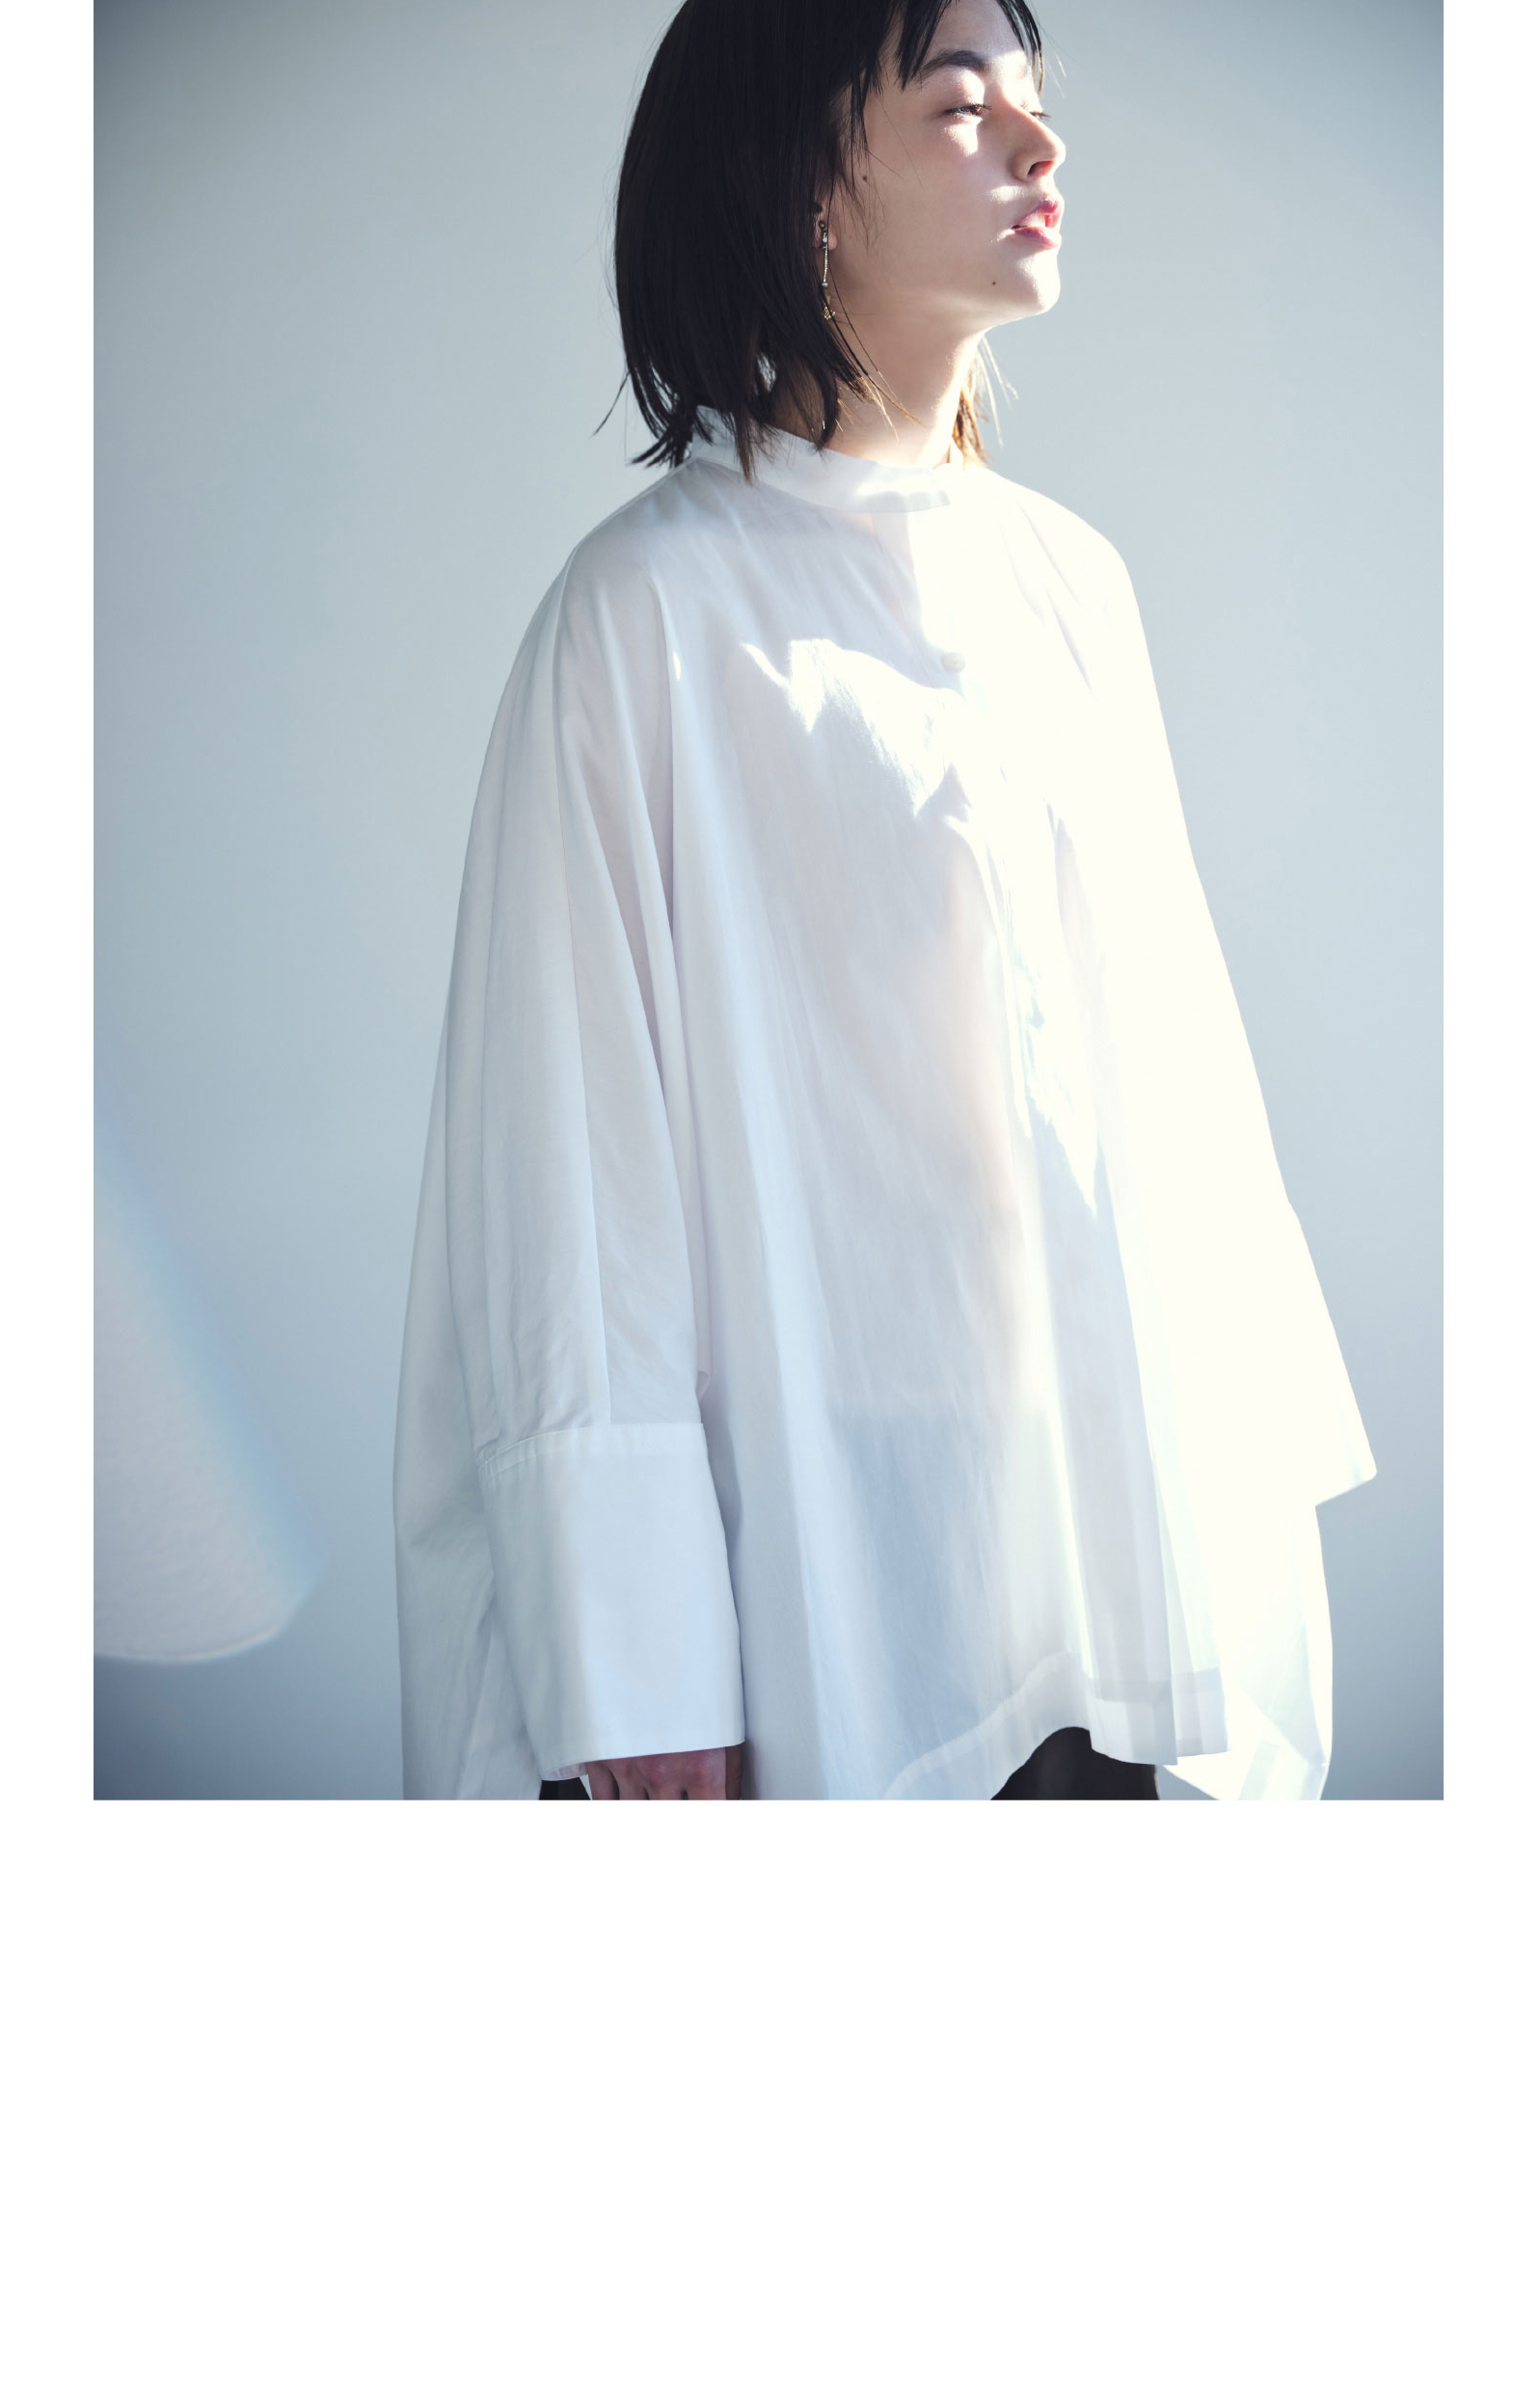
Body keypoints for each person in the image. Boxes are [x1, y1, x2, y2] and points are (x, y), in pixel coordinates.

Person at [392, 0, 1375, 1803]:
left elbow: (1170, 1092)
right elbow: (576, 1173)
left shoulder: (1071, 584)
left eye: (1037, 98)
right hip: (811, 1550)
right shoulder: (649, 618)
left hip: (1088, 1534)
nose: (1039, 143)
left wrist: (1226, 1509)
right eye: (958, 102)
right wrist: (634, 1661)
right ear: (808, 188)